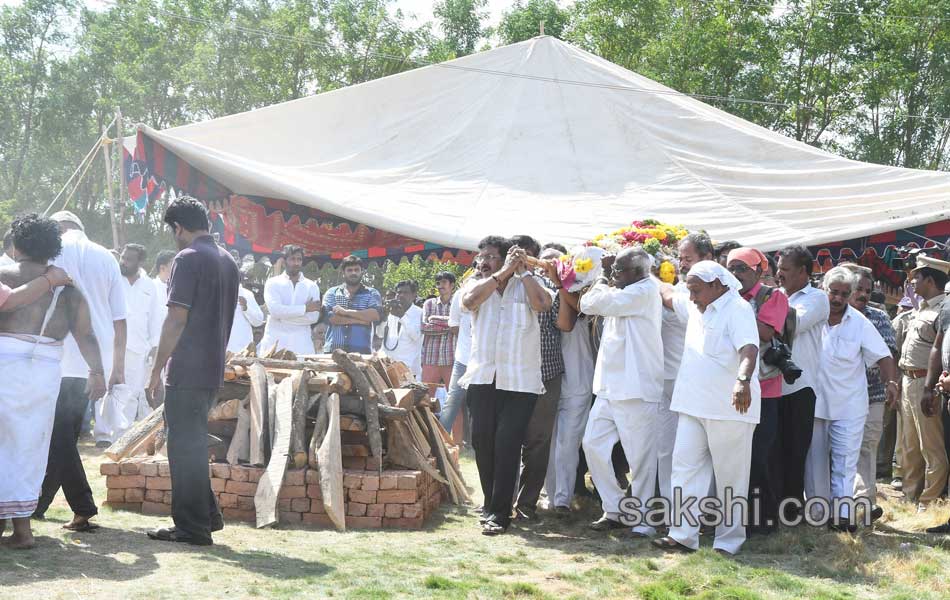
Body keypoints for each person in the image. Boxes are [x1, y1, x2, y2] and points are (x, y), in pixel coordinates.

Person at [0, 213, 105, 549]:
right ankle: (22, 530)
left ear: (15, 246)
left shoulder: (3, 276)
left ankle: (16, 529)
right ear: (53, 249)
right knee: (28, 447)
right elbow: (86, 336)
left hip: (4, 369)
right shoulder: (68, 289)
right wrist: (98, 372)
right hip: (45, 376)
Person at [146, 196, 239, 546]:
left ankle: (191, 527)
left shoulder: (187, 258)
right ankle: (208, 516)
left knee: (183, 449)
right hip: (212, 367)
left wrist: (156, 370)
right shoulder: (228, 260)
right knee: (193, 446)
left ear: (178, 228)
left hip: (186, 368)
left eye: (173, 231)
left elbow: (175, 320)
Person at [654, 261, 759, 555]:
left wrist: (742, 380)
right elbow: (667, 294)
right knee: (684, 470)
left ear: (716, 285)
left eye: (696, 290)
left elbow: (749, 348)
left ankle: (729, 541)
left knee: (730, 478)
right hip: (691, 404)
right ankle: (683, 535)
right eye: (689, 290)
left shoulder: (737, 309)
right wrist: (654, 271)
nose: (692, 297)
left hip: (730, 408)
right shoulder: (697, 304)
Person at [33, 211, 127, 532]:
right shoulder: (108, 258)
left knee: (58, 437)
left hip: (59, 357)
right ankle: (40, 503)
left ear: (58, 229)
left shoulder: (52, 252)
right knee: (65, 436)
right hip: (96, 361)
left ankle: (83, 507)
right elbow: (119, 319)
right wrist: (116, 367)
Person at [459, 236, 553, 535]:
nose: (483, 261)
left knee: (507, 444)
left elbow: (543, 304)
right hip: (483, 377)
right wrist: (501, 273)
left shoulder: (527, 283)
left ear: (506, 258)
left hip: (520, 382)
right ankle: (491, 505)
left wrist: (522, 271)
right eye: (481, 256)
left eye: (491, 256)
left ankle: (500, 514)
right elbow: (469, 302)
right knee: (482, 443)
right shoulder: (475, 284)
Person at [579, 247, 663, 536]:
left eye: (618, 270)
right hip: (609, 386)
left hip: (637, 388)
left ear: (638, 272)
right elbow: (591, 303)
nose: (613, 274)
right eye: (612, 270)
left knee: (640, 459)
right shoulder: (625, 290)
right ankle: (614, 507)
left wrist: (602, 275)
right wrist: (608, 278)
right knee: (592, 444)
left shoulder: (645, 291)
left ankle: (642, 521)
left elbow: (589, 303)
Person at [806, 267, 897, 530]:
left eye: (844, 294)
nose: (837, 298)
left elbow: (884, 356)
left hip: (849, 406)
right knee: (815, 463)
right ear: (824, 289)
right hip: (815, 404)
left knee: (845, 463)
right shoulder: (812, 317)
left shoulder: (859, 322)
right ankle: (817, 514)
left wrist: (891, 382)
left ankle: (842, 517)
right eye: (833, 292)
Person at [727, 247, 789, 534]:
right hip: (731, 386)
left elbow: (766, 332)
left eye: (741, 268)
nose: (735, 274)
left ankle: (762, 519)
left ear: (759, 270)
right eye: (731, 268)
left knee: (758, 455)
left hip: (765, 388)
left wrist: (731, 312)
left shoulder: (772, 296)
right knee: (735, 454)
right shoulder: (727, 297)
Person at [657, 233, 714, 506]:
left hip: (692, 382)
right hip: (663, 379)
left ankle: (703, 508)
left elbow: (671, 299)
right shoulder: (674, 285)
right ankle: (671, 510)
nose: (682, 264)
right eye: (679, 258)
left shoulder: (713, 294)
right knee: (665, 449)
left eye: (688, 259)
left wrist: (650, 277)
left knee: (697, 453)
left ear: (707, 259)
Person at [775, 244, 829, 522]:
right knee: (773, 451)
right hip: (771, 387)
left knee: (795, 453)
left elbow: (790, 323)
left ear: (803, 271)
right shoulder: (776, 296)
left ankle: (792, 513)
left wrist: (765, 302)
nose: (778, 274)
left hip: (800, 388)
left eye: (785, 269)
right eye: (778, 268)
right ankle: (774, 509)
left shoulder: (817, 298)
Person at [841, 264, 898, 523]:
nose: (863, 294)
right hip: (837, 397)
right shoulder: (830, 315)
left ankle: (865, 504)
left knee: (866, 447)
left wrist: (889, 382)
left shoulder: (878, 317)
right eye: (858, 289)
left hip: (872, 395)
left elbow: (887, 353)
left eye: (867, 289)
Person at [514, 240, 564, 522]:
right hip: (513, 374)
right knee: (508, 439)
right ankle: (501, 501)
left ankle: (527, 504)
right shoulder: (507, 281)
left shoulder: (553, 287)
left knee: (538, 442)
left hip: (547, 373)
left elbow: (559, 320)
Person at [896, 255, 949, 511]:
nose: (912, 281)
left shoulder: (943, 310)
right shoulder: (922, 308)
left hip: (924, 383)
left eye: (916, 276)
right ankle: (910, 496)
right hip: (908, 380)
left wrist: (930, 388)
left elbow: (939, 352)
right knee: (909, 445)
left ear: (930, 279)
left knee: (931, 446)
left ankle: (929, 502)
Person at [108, 243, 164, 440]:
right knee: (107, 390)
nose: (123, 262)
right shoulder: (113, 278)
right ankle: (103, 435)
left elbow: (155, 319)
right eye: (123, 257)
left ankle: (122, 436)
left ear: (140, 262)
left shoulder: (149, 286)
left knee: (130, 392)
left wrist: (154, 346)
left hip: (137, 347)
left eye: (129, 259)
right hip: (110, 344)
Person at [439, 261, 482, 443]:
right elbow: (454, 325)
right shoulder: (459, 294)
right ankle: (438, 442)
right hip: (463, 358)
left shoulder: (496, 292)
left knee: (480, 404)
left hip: (485, 360)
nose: (480, 270)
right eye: (477, 266)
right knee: (452, 401)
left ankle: (476, 444)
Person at [259, 245, 321, 356]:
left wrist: (281, 319)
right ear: (284, 261)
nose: (296, 263)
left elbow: (313, 317)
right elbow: (275, 311)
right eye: (292, 259)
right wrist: (305, 308)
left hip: (302, 346)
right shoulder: (273, 283)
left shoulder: (311, 286)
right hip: (274, 345)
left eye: (299, 259)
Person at [322, 255, 382, 354]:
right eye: (349, 270)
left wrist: (345, 312)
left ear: (362, 272)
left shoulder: (371, 293)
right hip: (334, 350)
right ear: (343, 273)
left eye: (356, 270)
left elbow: (375, 315)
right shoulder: (332, 292)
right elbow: (330, 318)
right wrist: (361, 320)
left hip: (361, 351)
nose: (353, 273)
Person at [377, 280, 423, 378]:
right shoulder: (392, 311)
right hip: (387, 366)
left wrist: (402, 316)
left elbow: (416, 337)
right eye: (398, 292)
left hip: (407, 369)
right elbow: (380, 334)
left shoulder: (420, 313)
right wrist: (384, 317)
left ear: (414, 295)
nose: (400, 295)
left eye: (405, 292)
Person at [421, 271, 457, 390]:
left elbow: (460, 327)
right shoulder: (429, 304)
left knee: (455, 399)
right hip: (431, 358)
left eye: (444, 282)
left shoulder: (459, 303)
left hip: (452, 358)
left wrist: (434, 320)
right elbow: (424, 328)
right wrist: (450, 325)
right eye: (438, 283)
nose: (440, 285)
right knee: (426, 399)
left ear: (452, 285)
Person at [227, 272, 265, 354]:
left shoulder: (247, 294)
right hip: (219, 348)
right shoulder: (215, 292)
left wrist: (246, 307)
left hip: (241, 349)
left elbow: (258, 321)